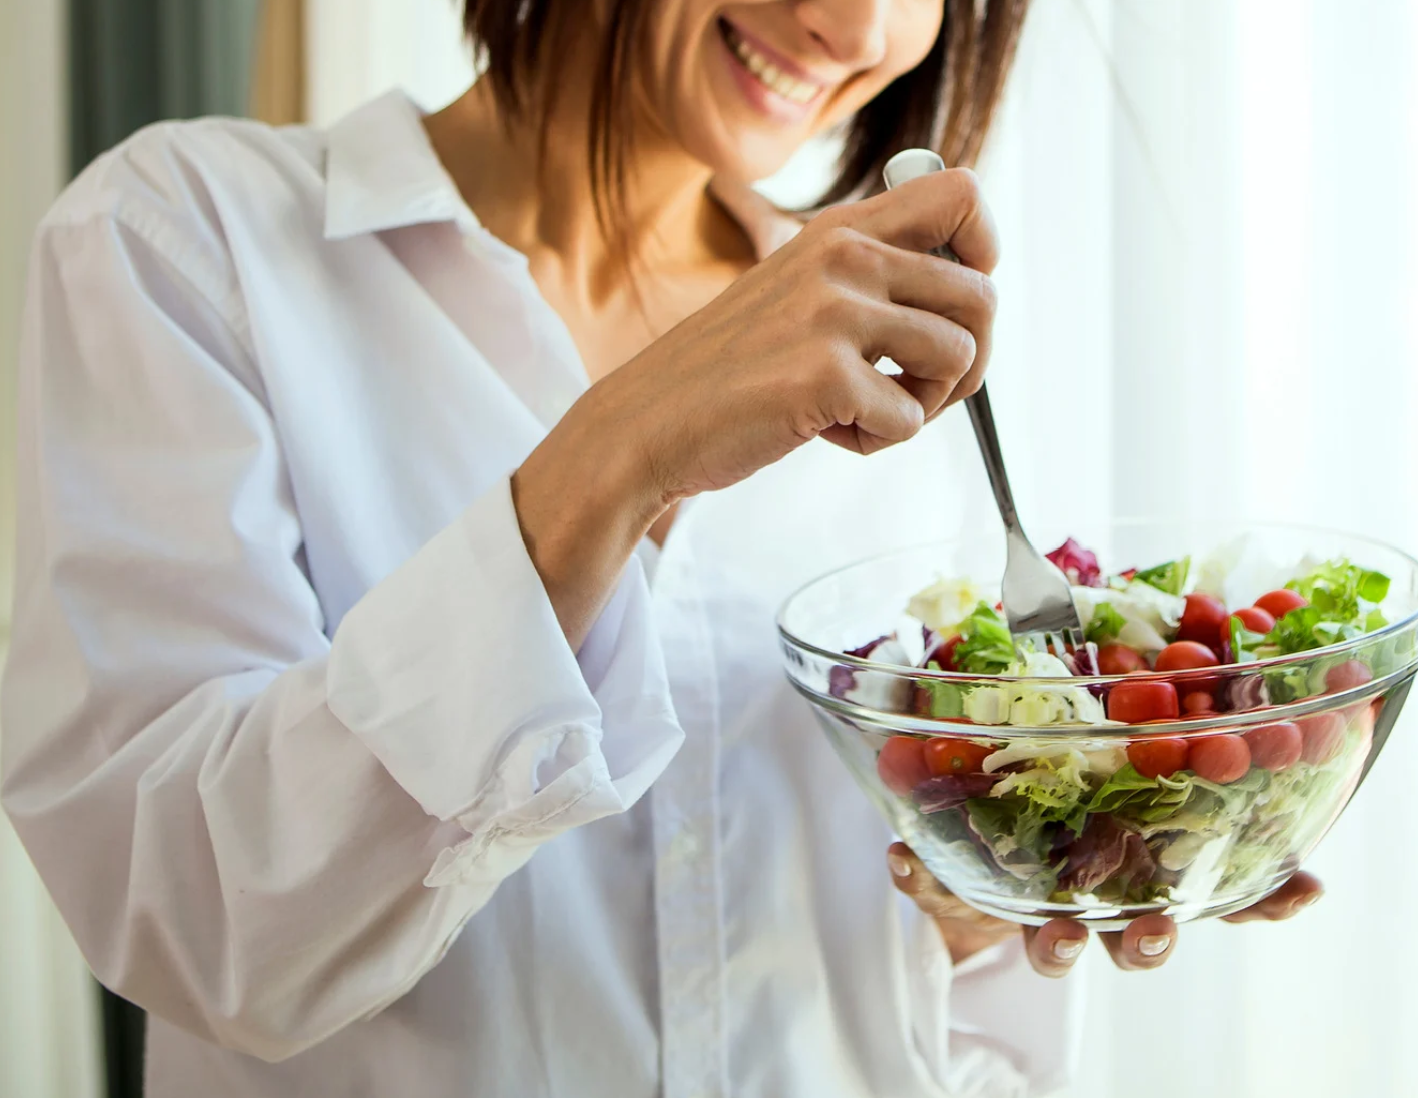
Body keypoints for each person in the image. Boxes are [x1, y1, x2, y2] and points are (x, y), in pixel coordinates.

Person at [1, 1, 1320, 1095]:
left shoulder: (888, 354)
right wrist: (618, 453)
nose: (850, 23)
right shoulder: (185, 241)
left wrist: (992, 894)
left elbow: (953, 1026)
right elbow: (198, 918)